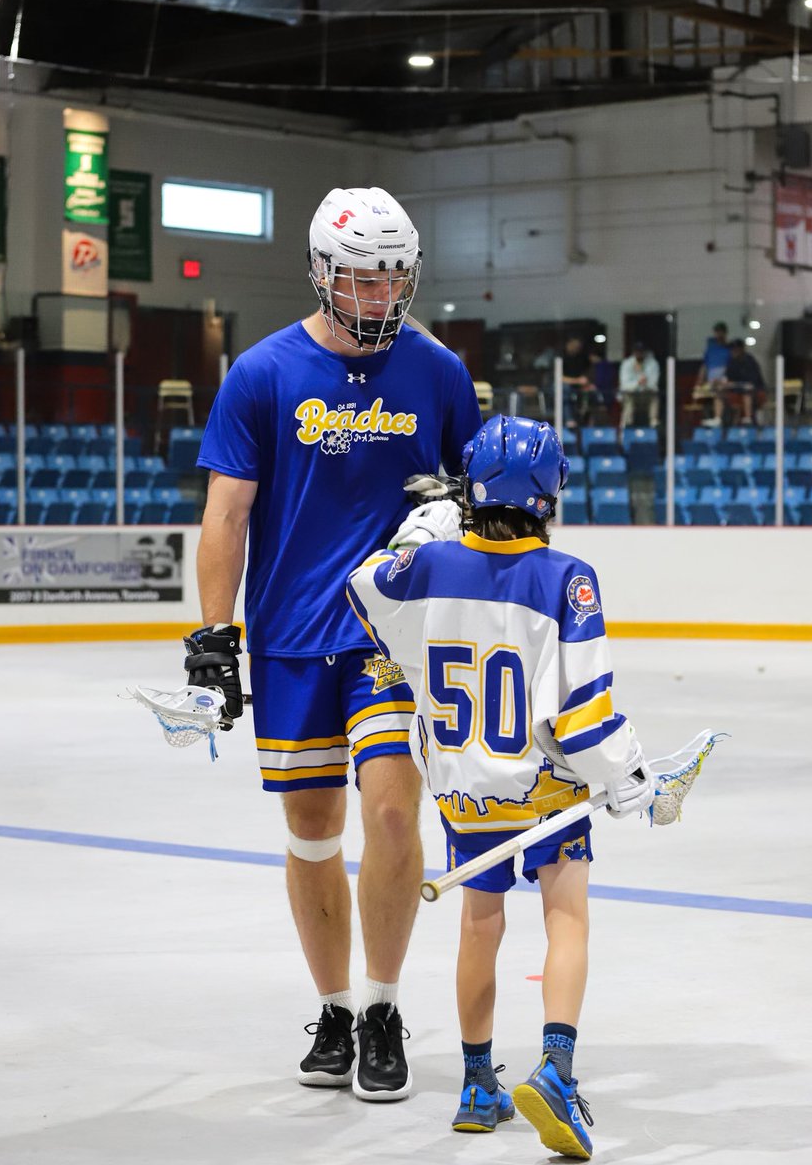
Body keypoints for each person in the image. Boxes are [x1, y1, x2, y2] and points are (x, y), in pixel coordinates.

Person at [186, 185, 482, 1101]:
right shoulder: (262, 373)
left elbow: (482, 507)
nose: (378, 293)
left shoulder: (439, 373)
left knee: (394, 813)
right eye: (360, 275)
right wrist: (211, 635)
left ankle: (387, 1008)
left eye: (393, 275)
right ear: (320, 272)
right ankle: (337, 1008)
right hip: (289, 637)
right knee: (313, 834)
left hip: (392, 640)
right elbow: (226, 514)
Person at [346, 415, 654, 1157]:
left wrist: (420, 535)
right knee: (567, 916)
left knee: (480, 927)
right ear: (550, 494)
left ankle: (478, 1086)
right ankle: (556, 1070)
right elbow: (583, 720)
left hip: (464, 794)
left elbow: (362, 589)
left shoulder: (426, 568)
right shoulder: (568, 578)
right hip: (547, 793)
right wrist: (630, 776)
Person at [705, 339, 766, 427]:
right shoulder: (731, 362)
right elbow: (727, 378)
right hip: (737, 390)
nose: (733, 351)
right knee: (719, 390)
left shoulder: (749, 360)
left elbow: (751, 382)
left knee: (747, 391)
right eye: (732, 349)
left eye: (735, 349)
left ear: (741, 349)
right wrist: (720, 382)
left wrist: (734, 384)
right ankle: (717, 419)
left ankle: (748, 418)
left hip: (755, 391)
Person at [617, 342, 660, 428]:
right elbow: (625, 385)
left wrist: (644, 383)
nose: (639, 353)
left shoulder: (652, 363)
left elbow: (653, 385)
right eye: (637, 351)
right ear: (633, 352)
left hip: (646, 395)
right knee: (628, 398)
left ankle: (653, 424)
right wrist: (638, 383)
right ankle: (627, 425)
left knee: (654, 396)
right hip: (631, 394)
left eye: (641, 351)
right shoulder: (627, 364)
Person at [697, 321, 731, 388]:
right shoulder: (710, 349)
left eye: (721, 331)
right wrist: (700, 379)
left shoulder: (730, 348)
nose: (719, 334)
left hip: (725, 380)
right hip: (711, 380)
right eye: (717, 332)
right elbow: (705, 365)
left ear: (725, 333)